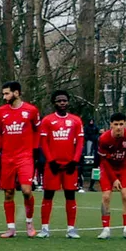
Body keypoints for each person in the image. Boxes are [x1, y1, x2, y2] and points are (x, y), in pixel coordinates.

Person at [0, 81, 41, 237]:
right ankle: (11, 228)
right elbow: (0, 132)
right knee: (8, 193)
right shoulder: (1, 111)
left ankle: (29, 223)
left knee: (27, 190)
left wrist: (35, 150)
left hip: (25, 156)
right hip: (7, 157)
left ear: (16, 93)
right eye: (3, 94)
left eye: (7, 93)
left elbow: (37, 130)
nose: (4, 97)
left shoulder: (31, 110)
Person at [36, 90, 84, 238]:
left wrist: (75, 161)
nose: (62, 103)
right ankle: (44, 229)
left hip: (70, 165)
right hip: (53, 166)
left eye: (64, 100)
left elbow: (80, 142)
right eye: (59, 100)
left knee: (70, 196)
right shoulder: (47, 120)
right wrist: (50, 161)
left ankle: (71, 229)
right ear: (54, 103)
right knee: (48, 195)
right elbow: (44, 143)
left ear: (68, 102)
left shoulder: (76, 120)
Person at [96, 112, 126, 240]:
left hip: (125, 167)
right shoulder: (104, 139)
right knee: (105, 196)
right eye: (116, 124)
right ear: (111, 125)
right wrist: (114, 179)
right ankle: (105, 229)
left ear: (125, 124)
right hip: (108, 168)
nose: (119, 127)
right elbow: (103, 160)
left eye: (121, 124)